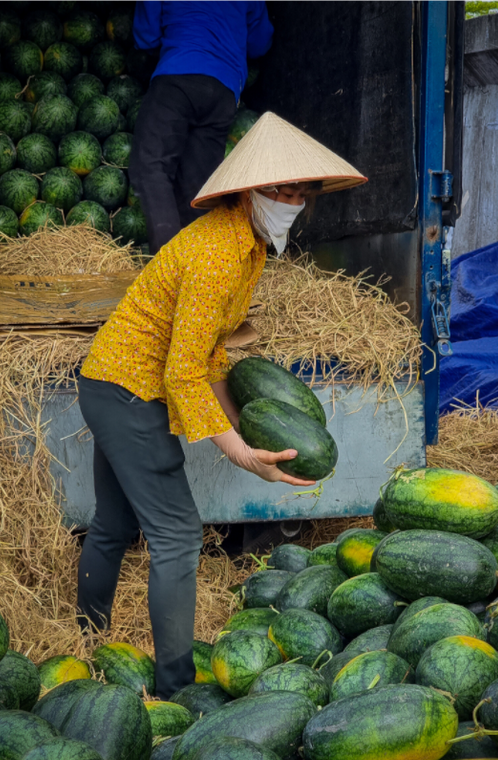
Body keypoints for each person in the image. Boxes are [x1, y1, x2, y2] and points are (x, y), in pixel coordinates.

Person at [77, 112, 367, 700]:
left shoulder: (248, 245)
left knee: (112, 519)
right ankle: (177, 689)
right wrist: (241, 454)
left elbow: (206, 356)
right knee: (180, 537)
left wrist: (244, 428)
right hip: (127, 391)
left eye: (298, 191)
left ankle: (87, 636)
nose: (288, 199)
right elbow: (183, 371)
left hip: (112, 381)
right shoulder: (217, 253)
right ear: (247, 189)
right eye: (275, 188)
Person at [129, 0, 274, 255]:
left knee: (151, 165)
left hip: (178, 76)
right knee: (198, 189)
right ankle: (195, 268)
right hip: (224, 91)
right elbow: (260, 43)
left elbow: (145, 36)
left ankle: (167, 265)